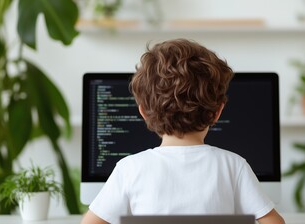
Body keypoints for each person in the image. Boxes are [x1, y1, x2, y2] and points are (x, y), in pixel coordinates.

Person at [81, 38, 285, 224]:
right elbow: (275, 223)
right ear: (217, 112)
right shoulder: (233, 166)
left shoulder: (129, 169)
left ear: (143, 112)